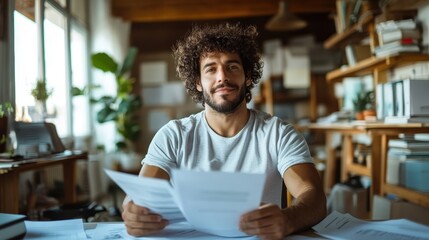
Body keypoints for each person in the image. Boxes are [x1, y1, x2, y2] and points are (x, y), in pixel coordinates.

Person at [122, 23, 326, 239]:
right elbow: (140, 196)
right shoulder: (173, 135)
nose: (222, 77)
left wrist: (288, 220)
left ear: (248, 77)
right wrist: (132, 210)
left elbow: (313, 197)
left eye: (232, 67)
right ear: (197, 82)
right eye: (211, 69)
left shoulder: (278, 134)